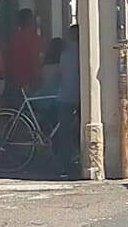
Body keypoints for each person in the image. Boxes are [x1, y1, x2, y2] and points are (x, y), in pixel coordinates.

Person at [54, 25, 81, 176]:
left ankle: (65, 165)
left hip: (65, 95)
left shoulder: (65, 53)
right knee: (78, 130)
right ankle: (79, 158)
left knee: (63, 132)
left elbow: (62, 73)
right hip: (79, 96)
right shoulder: (83, 51)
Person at [5, 9, 43, 99]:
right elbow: (34, 58)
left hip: (17, 77)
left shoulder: (15, 38)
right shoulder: (29, 37)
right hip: (28, 78)